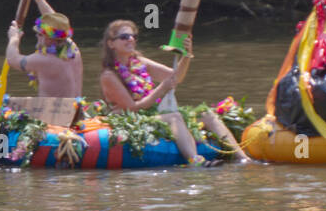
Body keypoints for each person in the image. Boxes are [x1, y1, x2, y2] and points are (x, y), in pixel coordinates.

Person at [98, 19, 247, 164]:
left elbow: (176, 77)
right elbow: (133, 108)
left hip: (154, 114)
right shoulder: (109, 76)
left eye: (133, 36)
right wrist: (161, 89)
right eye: (124, 37)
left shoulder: (140, 62)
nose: (131, 39)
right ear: (111, 43)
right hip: (132, 119)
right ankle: (195, 160)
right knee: (174, 117)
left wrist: (186, 55)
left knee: (207, 114)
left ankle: (242, 158)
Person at [4, 0, 83, 99]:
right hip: (76, 112)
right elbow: (57, 23)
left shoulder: (44, 59)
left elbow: (13, 60)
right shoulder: (72, 49)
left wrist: (14, 38)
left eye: (40, 34)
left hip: (55, 115)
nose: (36, 35)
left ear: (50, 39)